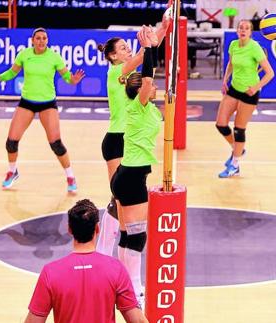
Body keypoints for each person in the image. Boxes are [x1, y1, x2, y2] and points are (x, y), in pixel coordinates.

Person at [95, 16, 170, 258]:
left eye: (128, 47)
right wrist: (156, 35)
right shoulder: (117, 71)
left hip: (128, 140)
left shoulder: (130, 73)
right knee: (118, 198)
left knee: (119, 199)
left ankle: (109, 250)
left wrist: (164, 30)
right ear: (113, 56)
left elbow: (147, 56)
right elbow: (144, 53)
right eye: (123, 48)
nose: (128, 50)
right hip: (117, 140)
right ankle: (106, 251)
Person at [0, 27, 85, 192]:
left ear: (47, 40)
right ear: (32, 40)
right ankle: (12, 171)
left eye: (44, 38)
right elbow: (12, 73)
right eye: (38, 38)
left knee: (56, 144)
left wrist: (73, 80)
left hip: (47, 104)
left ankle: (70, 175)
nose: (41, 41)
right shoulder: (24, 55)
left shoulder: (54, 57)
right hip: (27, 103)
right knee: (11, 142)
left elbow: (67, 77)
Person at [24, 199, 147, 323]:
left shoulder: (50, 272)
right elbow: (138, 321)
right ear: (97, 229)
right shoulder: (116, 269)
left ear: (69, 229)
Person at [110, 27, 162, 308]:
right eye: (149, 85)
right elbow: (149, 78)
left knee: (128, 234)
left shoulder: (150, 108)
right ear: (140, 89)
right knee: (138, 236)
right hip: (130, 178)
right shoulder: (138, 106)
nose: (154, 86)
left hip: (128, 175)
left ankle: (123, 286)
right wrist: (151, 48)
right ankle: (135, 291)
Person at [215, 19, 274, 178]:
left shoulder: (254, 48)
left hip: (249, 92)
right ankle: (238, 149)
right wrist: (225, 79)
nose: (243, 30)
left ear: (250, 32)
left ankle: (234, 164)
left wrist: (256, 87)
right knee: (221, 124)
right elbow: (231, 65)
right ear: (237, 30)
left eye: (246, 28)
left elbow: (270, 73)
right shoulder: (233, 45)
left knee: (239, 129)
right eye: (241, 27)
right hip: (234, 88)